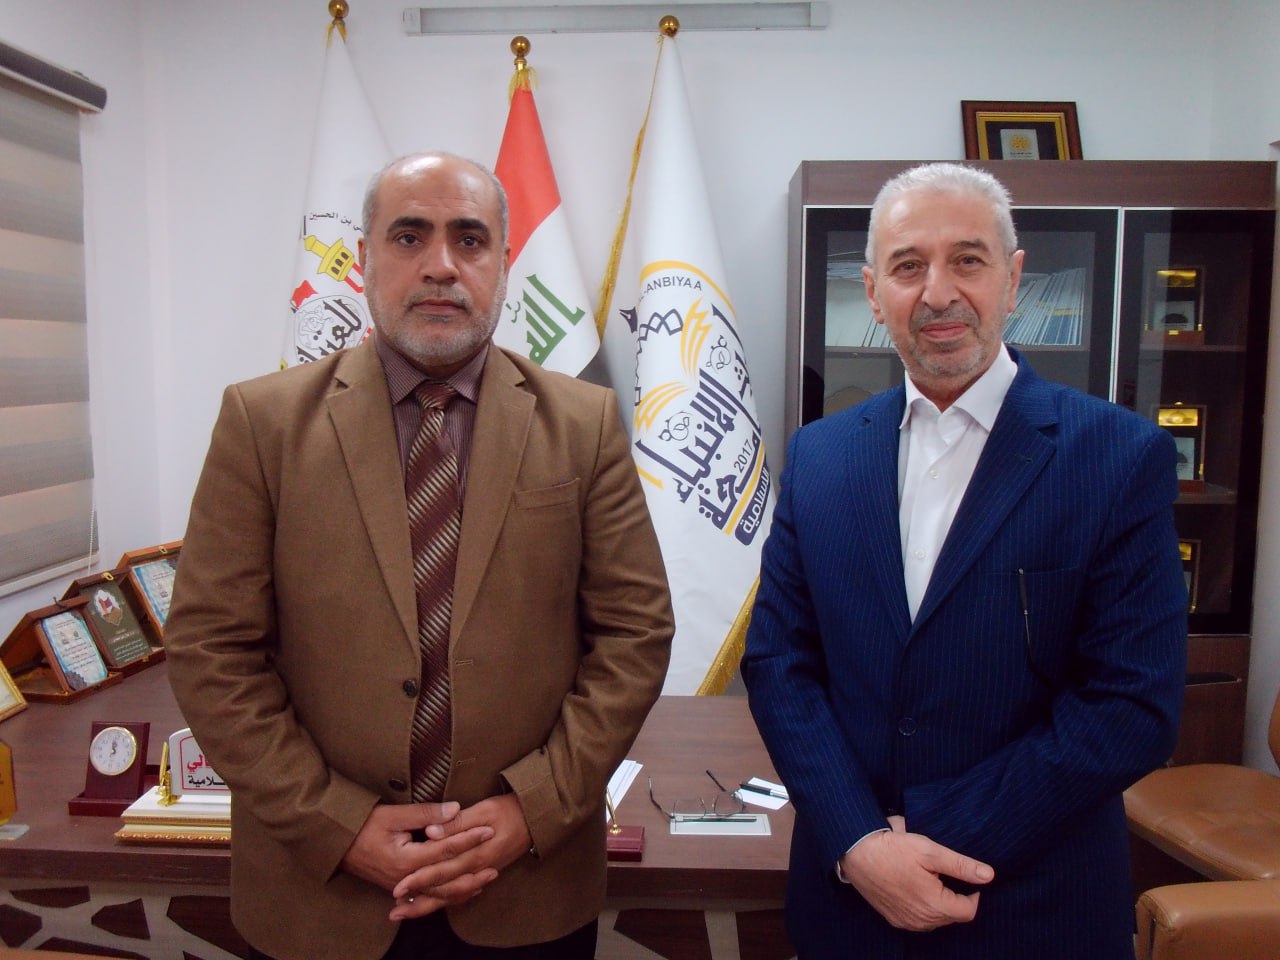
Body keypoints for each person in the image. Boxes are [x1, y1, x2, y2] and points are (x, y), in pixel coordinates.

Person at [165, 152, 674, 960]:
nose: (440, 265)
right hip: (318, 895)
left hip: (523, 887)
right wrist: (336, 824)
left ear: (504, 261)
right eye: (409, 237)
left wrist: (533, 808)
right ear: (364, 258)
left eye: (469, 239)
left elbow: (634, 636)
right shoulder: (263, 424)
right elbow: (210, 649)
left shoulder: (584, 425)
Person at [741, 162, 1187, 959]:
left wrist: (924, 832)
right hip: (847, 908)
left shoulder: (1119, 458)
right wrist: (860, 842)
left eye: (968, 260)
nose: (938, 292)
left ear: (1012, 280)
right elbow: (780, 664)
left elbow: (1131, 707)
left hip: (1030, 910)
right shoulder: (820, 455)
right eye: (908, 266)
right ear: (874, 293)